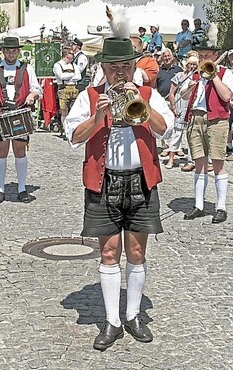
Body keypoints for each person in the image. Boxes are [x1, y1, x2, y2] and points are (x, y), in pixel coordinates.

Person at [64, 37, 173, 351]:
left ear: (134, 66)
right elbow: (73, 136)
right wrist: (98, 118)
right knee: (109, 253)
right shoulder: (89, 96)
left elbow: (165, 129)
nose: (120, 73)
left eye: (126, 66)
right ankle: (112, 321)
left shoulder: (148, 93)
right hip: (104, 182)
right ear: (104, 68)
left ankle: (134, 315)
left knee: (137, 253)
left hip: (141, 180)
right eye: (114, 68)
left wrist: (143, 103)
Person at [0, 36, 42, 203]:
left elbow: (37, 89)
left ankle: (22, 188)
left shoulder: (27, 68)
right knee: (1, 150)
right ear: (3, 52)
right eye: (8, 51)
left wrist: (31, 96)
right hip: (0, 115)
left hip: (20, 113)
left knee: (20, 150)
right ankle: (0, 188)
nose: (11, 54)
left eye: (14, 51)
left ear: (18, 51)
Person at [181, 39, 233, 223]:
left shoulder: (225, 73)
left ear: (215, 56)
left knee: (218, 162)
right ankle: (199, 205)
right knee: (199, 162)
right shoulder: (195, 74)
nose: (203, 59)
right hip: (196, 117)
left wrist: (214, 77)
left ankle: (221, 207)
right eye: (201, 56)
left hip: (217, 119)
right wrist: (189, 86)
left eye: (206, 56)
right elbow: (183, 95)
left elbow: (227, 96)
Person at [53, 47, 80, 140]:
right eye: (70, 56)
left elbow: (78, 76)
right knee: (64, 110)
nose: (72, 58)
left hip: (74, 88)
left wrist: (69, 77)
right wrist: (72, 75)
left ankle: (72, 130)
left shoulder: (74, 65)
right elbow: (61, 76)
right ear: (66, 55)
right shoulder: (58, 65)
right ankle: (65, 130)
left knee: (74, 110)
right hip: (63, 88)